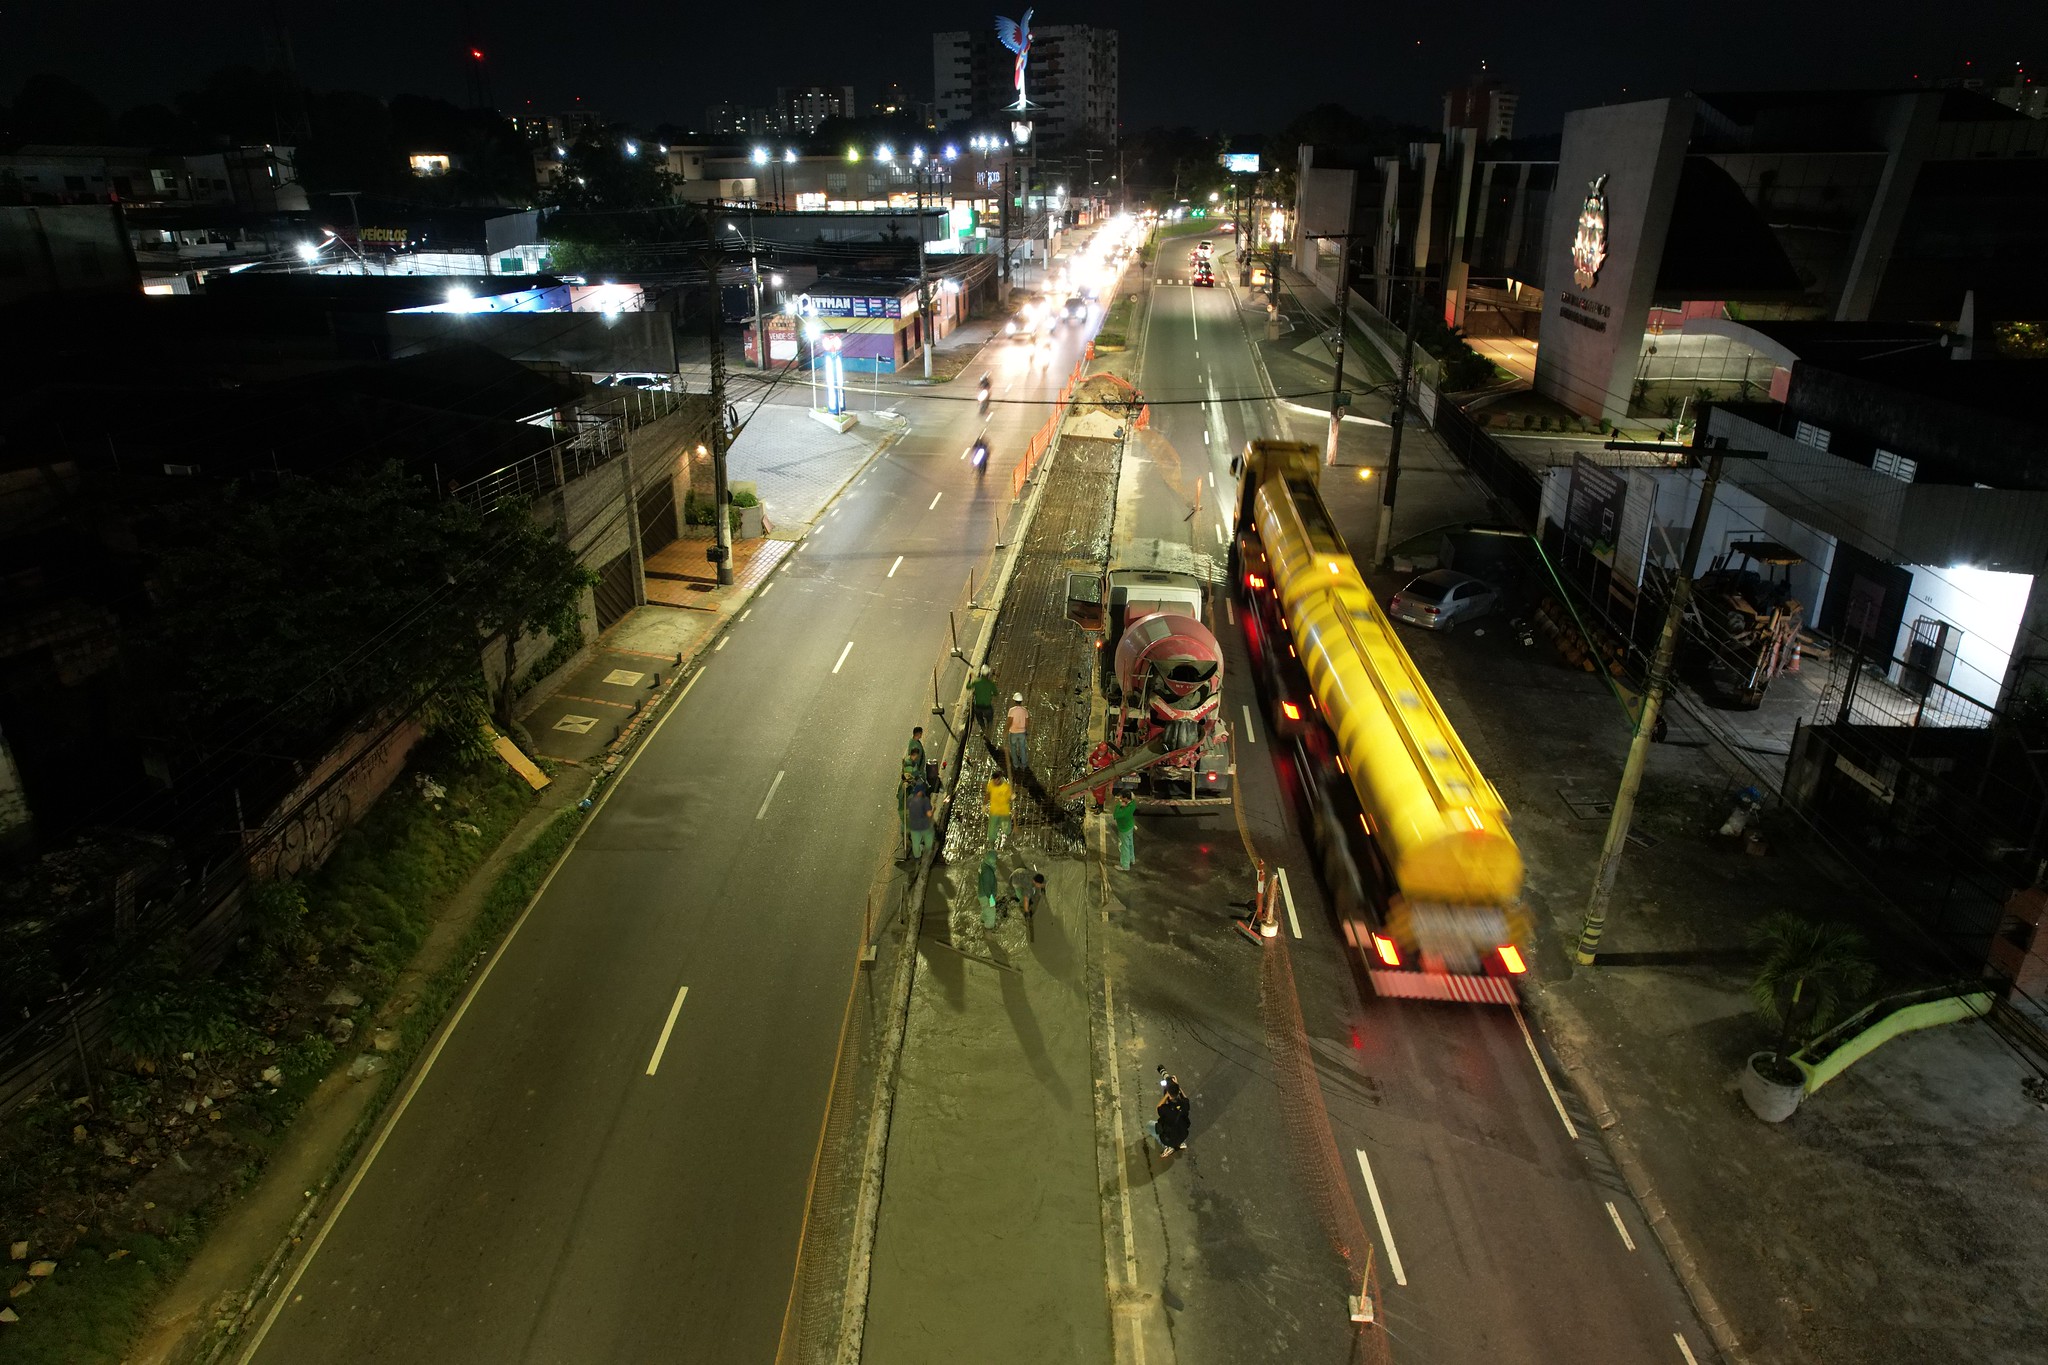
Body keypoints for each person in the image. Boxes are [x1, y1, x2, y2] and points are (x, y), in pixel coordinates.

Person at [1150, 1068, 1191, 1158]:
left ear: (1169, 1094)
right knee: (1179, 1124)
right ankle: (1181, 1143)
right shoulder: (1185, 1105)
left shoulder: (1166, 1109)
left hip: (1169, 1139)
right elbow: (1185, 1098)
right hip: (1183, 1135)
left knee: (1150, 1125)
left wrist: (1166, 1095)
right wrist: (1177, 1085)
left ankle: (1168, 1146)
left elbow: (1158, 1108)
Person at [905, 781, 935, 862]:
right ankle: (927, 853)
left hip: (913, 825)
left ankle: (917, 858)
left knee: (915, 842)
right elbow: (929, 814)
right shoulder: (925, 800)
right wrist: (933, 810)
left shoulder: (910, 800)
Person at [986, 770, 1013, 848]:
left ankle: (1008, 834)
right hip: (994, 811)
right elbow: (988, 794)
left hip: (1003, 811)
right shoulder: (991, 784)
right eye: (994, 780)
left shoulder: (1006, 787)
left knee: (1006, 827)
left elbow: (1009, 798)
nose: (995, 782)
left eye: (996, 780)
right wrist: (984, 804)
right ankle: (991, 842)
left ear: (1000, 779)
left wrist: (1011, 797)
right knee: (992, 829)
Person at [970, 665, 998, 739]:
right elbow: (995, 693)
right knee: (990, 719)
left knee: (979, 719)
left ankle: (984, 730)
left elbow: (970, 687)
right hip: (986, 706)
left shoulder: (976, 682)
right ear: (988, 674)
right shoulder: (990, 684)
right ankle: (988, 733)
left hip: (978, 706)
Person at [1006, 693, 1030, 772]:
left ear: (1014, 701)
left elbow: (1009, 721)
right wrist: (1026, 730)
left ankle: (1016, 765)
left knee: (1013, 748)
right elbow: (1027, 723)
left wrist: (1005, 730)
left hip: (1013, 732)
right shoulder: (1025, 710)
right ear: (1021, 701)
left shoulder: (1011, 710)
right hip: (1022, 732)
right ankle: (1024, 765)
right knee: (1022, 749)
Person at [1113, 792, 1138, 870]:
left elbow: (1115, 815)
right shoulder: (1133, 804)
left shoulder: (1125, 811)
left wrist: (1118, 805)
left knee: (1124, 847)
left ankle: (1125, 865)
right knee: (1130, 843)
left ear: (1126, 798)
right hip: (1130, 826)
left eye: (1122, 798)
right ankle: (1131, 859)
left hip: (1124, 829)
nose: (1121, 799)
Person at [977, 850, 1001, 929]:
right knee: (991, 913)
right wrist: (991, 899)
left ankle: (981, 925)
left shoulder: (984, 866)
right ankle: (988, 933)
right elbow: (987, 886)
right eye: (995, 859)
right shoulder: (987, 871)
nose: (996, 861)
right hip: (986, 895)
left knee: (985, 910)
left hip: (982, 894)